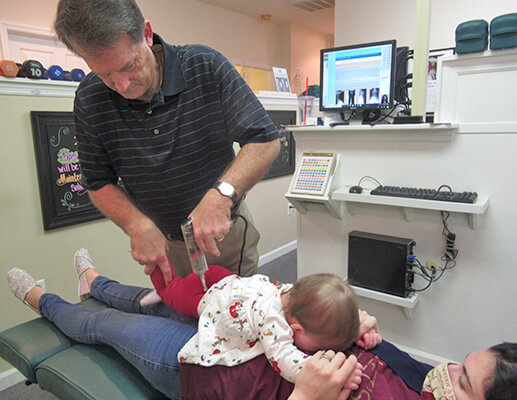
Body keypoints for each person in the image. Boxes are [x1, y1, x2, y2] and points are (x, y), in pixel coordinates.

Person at [7, 254, 516, 400]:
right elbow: (383, 358)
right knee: (153, 298)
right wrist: (363, 333)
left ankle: (41, 298)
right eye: (461, 360)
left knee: (108, 326)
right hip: (238, 329)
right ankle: (94, 280)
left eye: (463, 380)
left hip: (209, 372)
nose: (447, 369)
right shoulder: (425, 383)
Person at [53, 0, 281, 284]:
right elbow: (98, 182)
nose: (122, 86)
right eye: (105, 75)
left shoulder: (204, 66)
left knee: (237, 318)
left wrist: (221, 196)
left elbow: (265, 139)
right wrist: (136, 225)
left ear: (146, 34)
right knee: (177, 321)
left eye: (129, 66)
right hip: (163, 245)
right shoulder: (90, 98)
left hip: (223, 235)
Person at [145, 261, 362, 383]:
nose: (316, 351)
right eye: (317, 347)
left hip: (224, 277)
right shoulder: (273, 322)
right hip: (206, 299)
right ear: (296, 329)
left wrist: (356, 331)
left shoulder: (293, 292)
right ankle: (156, 269)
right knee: (171, 292)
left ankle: (179, 284)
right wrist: (330, 373)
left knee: (190, 280)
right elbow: (286, 361)